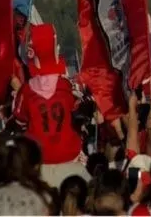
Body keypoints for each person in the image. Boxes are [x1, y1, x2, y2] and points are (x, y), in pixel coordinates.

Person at [12, 24, 90, 187]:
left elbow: (19, 121)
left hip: (39, 163)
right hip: (70, 158)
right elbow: (81, 112)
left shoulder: (26, 90)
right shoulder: (67, 86)